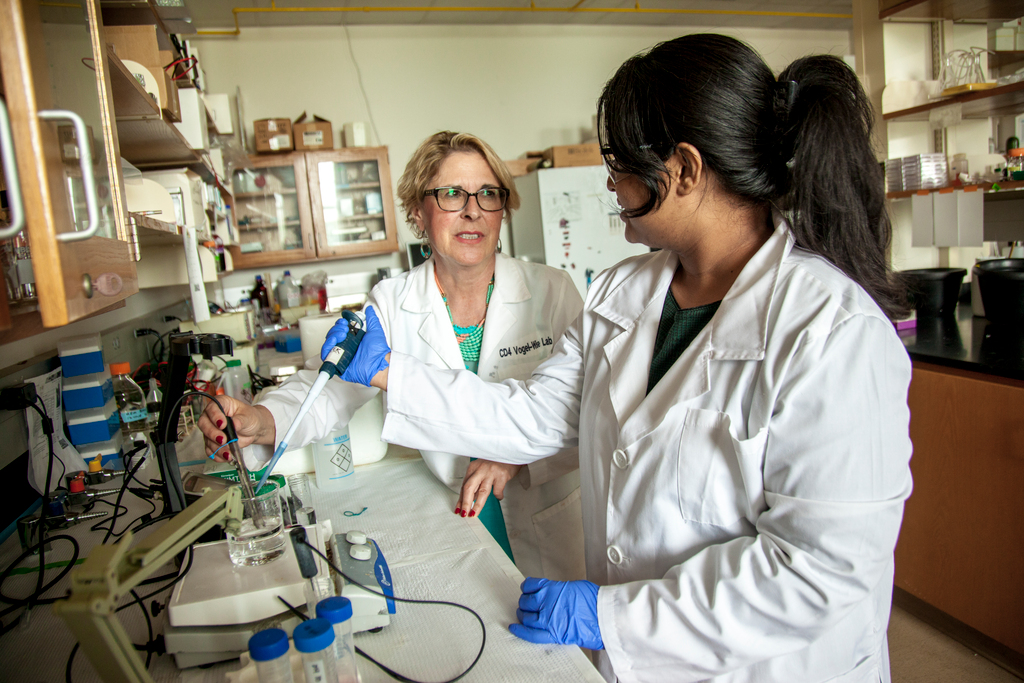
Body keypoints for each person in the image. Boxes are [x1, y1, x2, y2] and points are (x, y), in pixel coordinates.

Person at [331, 35, 914, 683]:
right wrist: (390, 372)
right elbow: (534, 418)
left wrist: (613, 618)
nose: (609, 181)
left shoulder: (833, 331)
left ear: (685, 170)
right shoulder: (622, 292)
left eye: (621, 162)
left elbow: (817, 572)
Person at [198, 131, 586, 582]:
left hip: (548, 510)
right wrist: (261, 420)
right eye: (451, 194)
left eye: (488, 194)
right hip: (459, 513)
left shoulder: (553, 290)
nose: (473, 209)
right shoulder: (393, 301)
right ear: (418, 212)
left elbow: (587, 406)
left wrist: (517, 453)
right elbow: (329, 388)